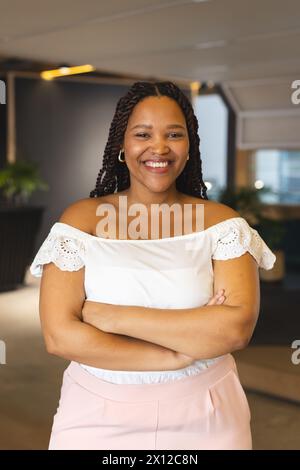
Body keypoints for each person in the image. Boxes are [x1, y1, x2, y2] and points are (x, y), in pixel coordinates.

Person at [30, 81, 276, 450]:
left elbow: (233, 329)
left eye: (174, 134)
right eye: (142, 134)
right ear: (121, 146)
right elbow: (60, 336)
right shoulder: (83, 220)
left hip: (206, 413)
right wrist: (176, 353)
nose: (158, 147)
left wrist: (108, 316)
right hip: (95, 414)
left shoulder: (221, 224)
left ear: (189, 146)